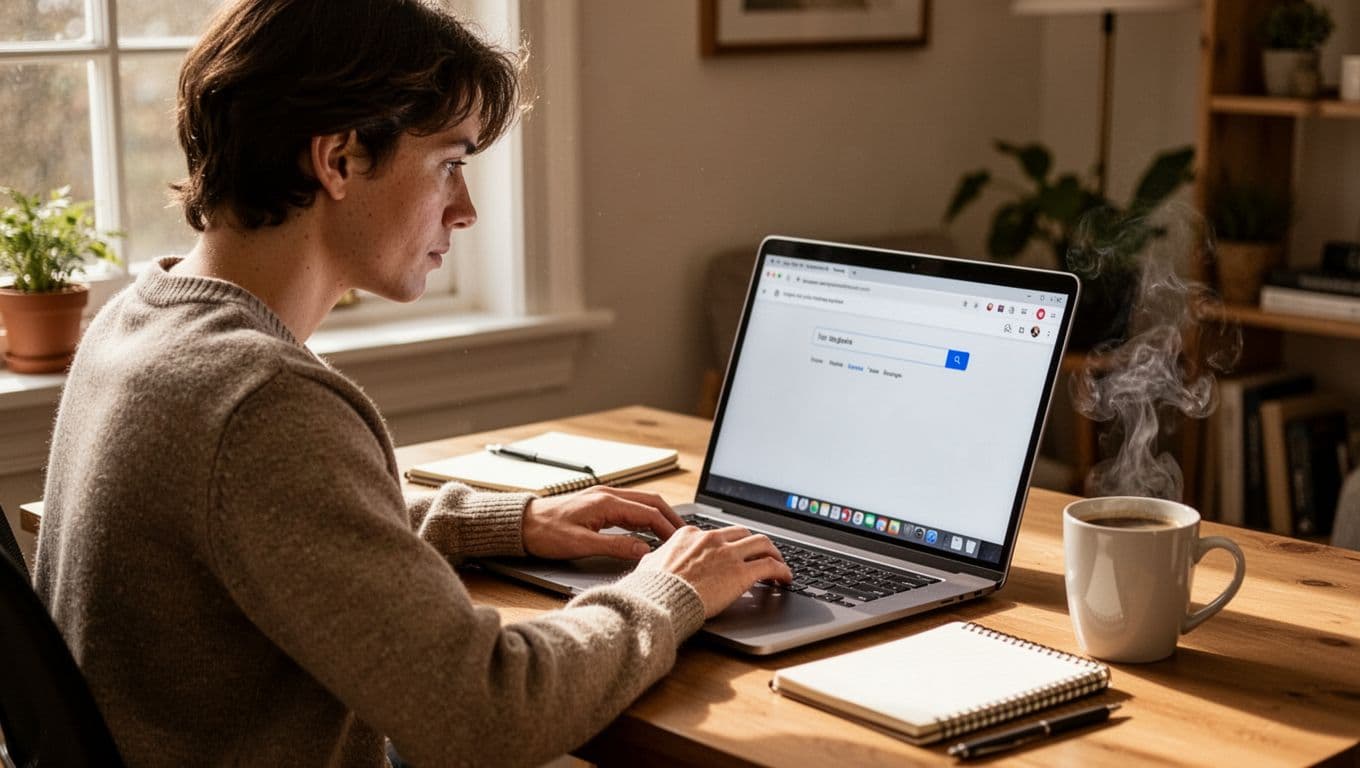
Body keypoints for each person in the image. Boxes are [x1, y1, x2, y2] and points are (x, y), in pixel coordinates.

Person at [32, 1, 791, 766]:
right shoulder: (260, 403)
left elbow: (277, 523)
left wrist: (502, 522)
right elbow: (491, 712)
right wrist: (669, 590)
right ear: (338, 160)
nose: (465, 210)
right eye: (450, 164)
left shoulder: (143, 322)